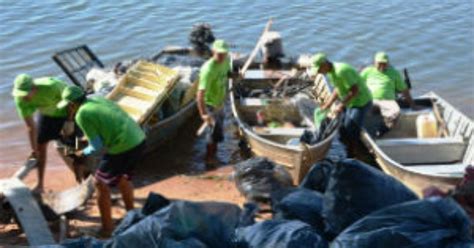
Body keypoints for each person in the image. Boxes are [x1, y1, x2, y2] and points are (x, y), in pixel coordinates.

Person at [57, 85, 146, 237]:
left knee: (100, 184)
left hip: (123, 146)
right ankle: (133, 215)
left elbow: (96, 146)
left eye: (67, 106)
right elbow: (106, 124)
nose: (67, 110)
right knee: (123, 177)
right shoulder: (97, 99)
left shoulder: (82, 114)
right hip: (138, 139)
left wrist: (81, 152)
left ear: (72, 104)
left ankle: (107, 229)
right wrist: (87, 139)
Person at [12, 74, 68, 193]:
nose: (23, 98)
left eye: (25, 94)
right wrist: (34, 150)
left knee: (74, 147)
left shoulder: (52, 86)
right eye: (20, 94)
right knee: (40, 147)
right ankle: (40, 185)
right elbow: (30, 126)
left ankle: (85, 178)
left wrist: (71, 121)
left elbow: (72, 99)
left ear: (34, 88)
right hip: (47, 114)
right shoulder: (20, 99)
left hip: (66, 113)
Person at [311, 53, 373, 141]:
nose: (318, 72)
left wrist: (340, 105)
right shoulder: (330, 73)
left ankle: (353, 149)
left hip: (361, 102)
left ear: (325, 64)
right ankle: (347, 142)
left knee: (351, 128)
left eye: (319, 69)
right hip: (350, 102)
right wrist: (328, 104)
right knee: (343, 127)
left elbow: (355, 91)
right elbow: (337, 89)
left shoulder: (341, 71)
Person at [360, 52, 416, 133]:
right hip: (371, 99)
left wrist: (412, 104)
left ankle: (382, 130)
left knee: (395, 112)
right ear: (374, 63)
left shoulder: (394, 72)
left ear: (388, 63)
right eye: (380, 63)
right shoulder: (367, 71)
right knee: (361, 111)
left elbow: (404, 90)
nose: (382, 66)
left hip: (387, 100)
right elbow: (357, 84)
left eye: (384, 63)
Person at [196, 39, 232, 163]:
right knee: (211, 134)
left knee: (218, 132)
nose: (222, 56)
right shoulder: (208, 69)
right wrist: (203, 114)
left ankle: (214, 155)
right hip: (210, 105)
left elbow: (228, 74)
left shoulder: (227, 60)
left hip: (220, 102)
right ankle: (209, 159)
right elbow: (200, 94)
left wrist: (236, 76)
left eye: (224, 53)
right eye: (219, 54)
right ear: (213, 52)